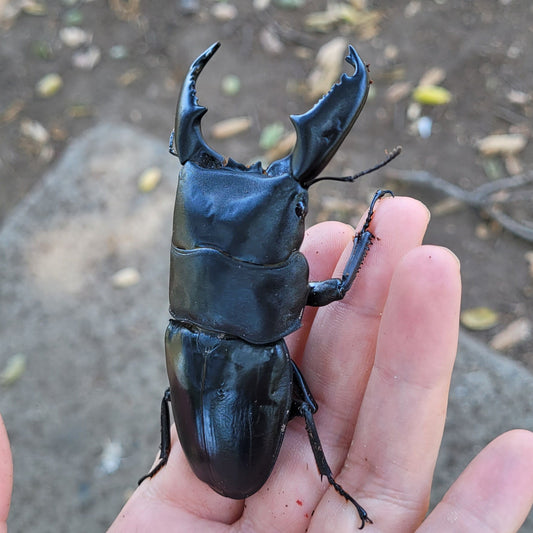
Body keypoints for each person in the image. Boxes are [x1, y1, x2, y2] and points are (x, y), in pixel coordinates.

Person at [2, 197, 533, 531]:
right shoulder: (203, 332)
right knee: (311, 405)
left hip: (228, 448)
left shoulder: (181, 332)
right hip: (239, 454)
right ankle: (322, 474)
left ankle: (169, 462)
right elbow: (341, 286)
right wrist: (366, 232)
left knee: (181, 394)